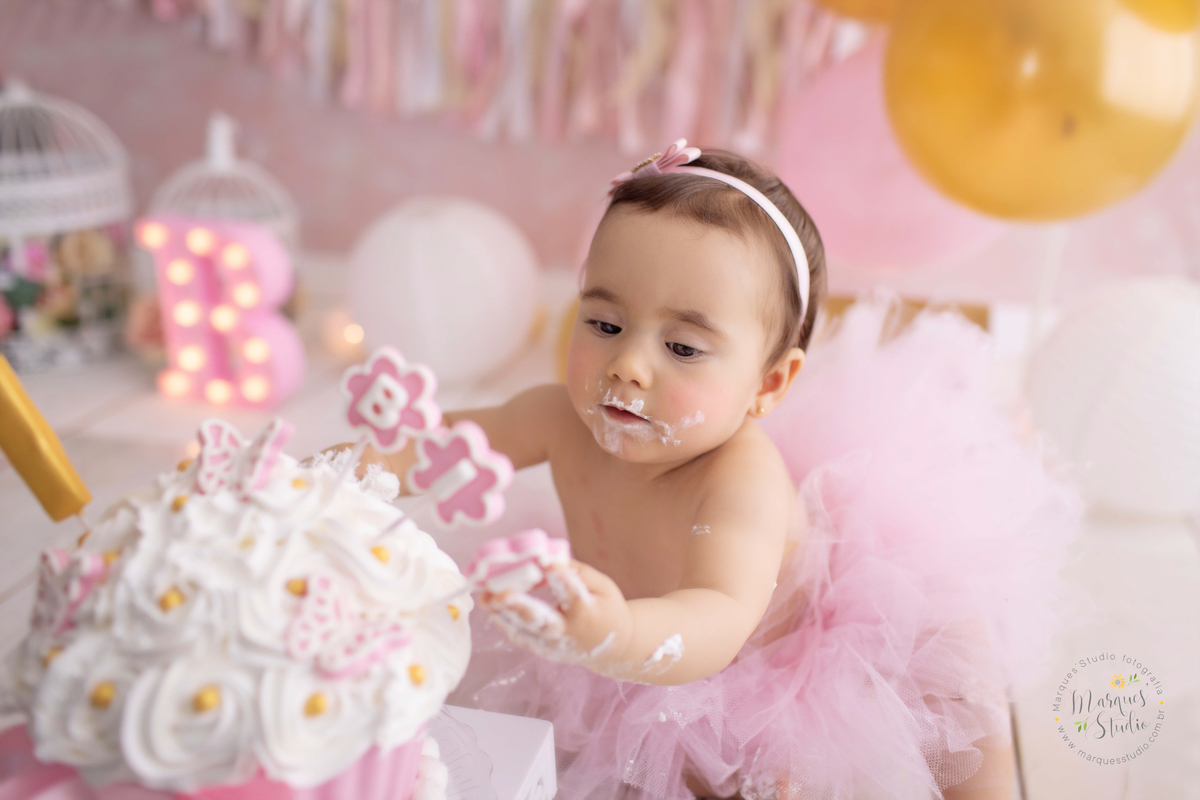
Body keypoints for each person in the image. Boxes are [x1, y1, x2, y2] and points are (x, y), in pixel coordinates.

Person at [342, 141, 1080, 799]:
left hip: (747, 664)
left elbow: (717, 617)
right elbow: (441, 448)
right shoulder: (556, 417)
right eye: (605, 324)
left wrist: (616, 630)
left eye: (684, 349)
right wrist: (331, 471)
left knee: (955, 679)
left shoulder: (737, 485)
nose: (627, 365)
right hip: (630, 627)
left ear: (768, 385)